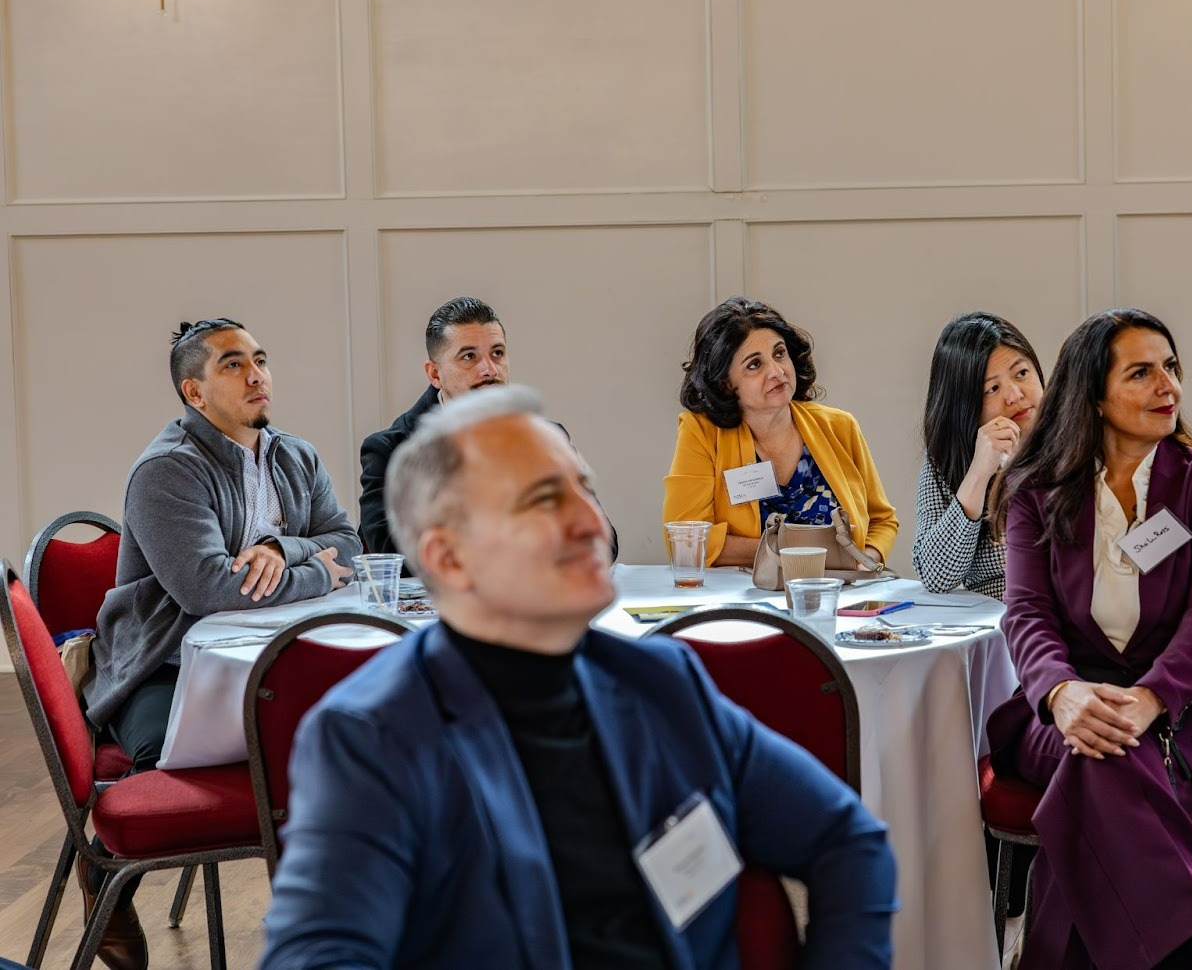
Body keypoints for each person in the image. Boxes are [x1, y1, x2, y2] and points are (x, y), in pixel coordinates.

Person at [261, 385, 897, 969]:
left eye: (584, 489)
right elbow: (317, 955)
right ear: (449, 558)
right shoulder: (376, 736)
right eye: (544, 499)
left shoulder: (660, 680)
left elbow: (848, 839)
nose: (592, 523)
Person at [985, 309, 1192, 970]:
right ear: (1093, 395)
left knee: (1096, 765)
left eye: (1170, 367)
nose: (1166, 385)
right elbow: (1026, 614)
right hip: (1064, 706)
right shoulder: (1035, 490)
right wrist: (1060, 695)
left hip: (1185, 715)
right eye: (1141, 372)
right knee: (1096, 752)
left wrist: (1149, 700)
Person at [81, 318, 361, 970]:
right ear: (194, 392)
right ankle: (106, 877)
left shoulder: (296, 455)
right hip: (165, 663)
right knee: (165, 760)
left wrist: (278, 550)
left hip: (272, 658)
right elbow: (209, 590)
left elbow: (350, 543)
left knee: (347, 734)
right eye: (234, 364)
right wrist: (317, 570)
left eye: (260, 359)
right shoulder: (166, 472)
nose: (257, 374)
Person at [358, 295, 616, 562]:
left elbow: (600, 542)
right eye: (469, 356)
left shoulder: (547, 439)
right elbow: (394, 557)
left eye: (497, 353)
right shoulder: (390, 450)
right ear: (435, 374)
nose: (489, 369)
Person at [663, 297, 897, 567]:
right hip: (746, 599)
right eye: (754, 365)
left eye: (779, 353)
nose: (777, 371)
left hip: (838, 593)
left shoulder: (840, 426)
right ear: (726, 384)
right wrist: (796, 548)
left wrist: (864, 562)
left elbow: (882, 520)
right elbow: (685, 540)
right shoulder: (702, 433)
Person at [913, 312, 1044, 599]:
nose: (1014, 395)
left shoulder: (1078, 437)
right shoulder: (948, 456)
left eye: (1021, 373)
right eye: (992, 388)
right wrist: (979, 472)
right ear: (965, 405)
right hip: (997, 621)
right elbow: (936, 577)